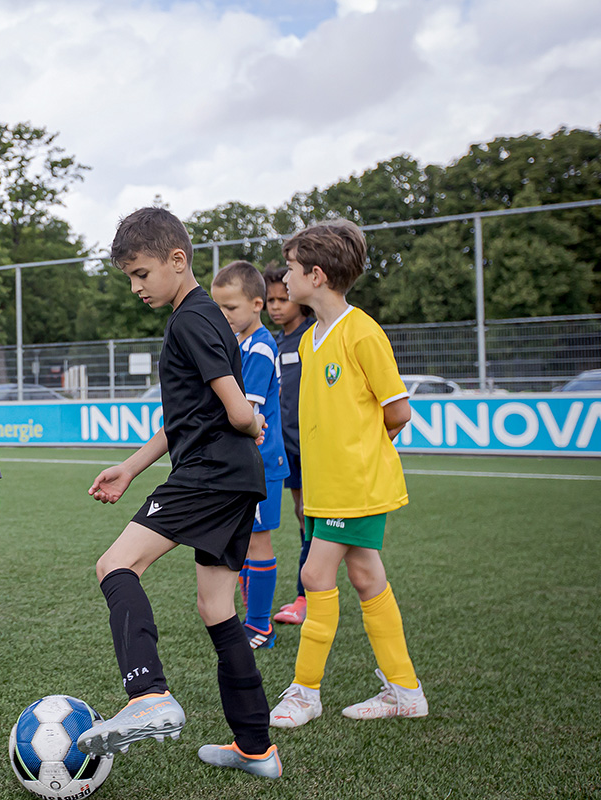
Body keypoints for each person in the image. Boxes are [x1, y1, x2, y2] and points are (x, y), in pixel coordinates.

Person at [75, 208, 281, 780]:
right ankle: (256, 748)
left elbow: (238, 409)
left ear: (176, 260)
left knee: (116, 564)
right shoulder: (209, 317)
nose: (137, 287)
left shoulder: (188, 321)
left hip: (210, 473)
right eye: (130, 278)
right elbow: (192, 413)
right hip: (238, 480)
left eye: (142, 273)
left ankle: (149, 694)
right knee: (217, 606)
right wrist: (133, 467)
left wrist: (247, 420)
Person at [269, 219, 428, 729]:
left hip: (353, 487)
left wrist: (359, 455)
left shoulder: (361, 332)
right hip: (324, 488)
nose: (285, 281)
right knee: (365, 576)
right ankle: (404, 690)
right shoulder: (312, 338)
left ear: (316, 275)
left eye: (291, 270)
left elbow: (397, 411)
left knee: (315, 576)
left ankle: (304, 692)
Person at [211, 261, 289, 650]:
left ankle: (260, 627)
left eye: (231, 308)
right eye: (218, 308)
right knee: (243, 540)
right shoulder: (240, 344)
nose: (223, 316)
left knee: (258, 542)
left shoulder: (259, 346)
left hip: (262, 463)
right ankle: (249, 620)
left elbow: (248, 412)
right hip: (246, 463)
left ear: (257, 304)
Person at [263, 266, 315, 626]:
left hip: (314, 444)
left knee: (311, 518)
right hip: (286, 446)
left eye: (283, 299)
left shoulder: (315, 336)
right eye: (270, 301)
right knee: (300, 515)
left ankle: (306, 595)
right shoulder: (272, 343)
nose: (276, 307)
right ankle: (308, 591)